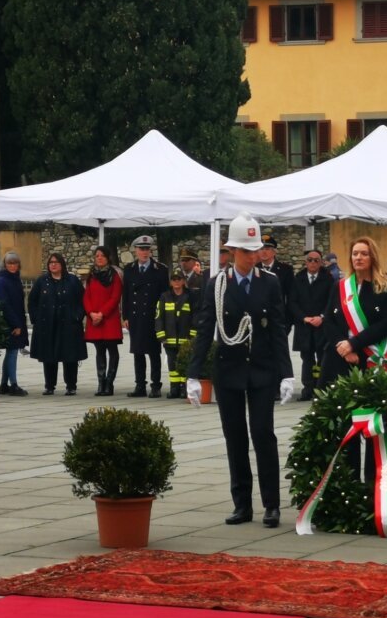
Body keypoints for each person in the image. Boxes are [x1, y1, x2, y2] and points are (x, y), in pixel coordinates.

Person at [185, 213, 294, 528]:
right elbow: (205, 329)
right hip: (229, 368)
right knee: (235, 438)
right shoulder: (217, 284)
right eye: (246, 251)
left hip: (261, 369)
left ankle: (271, 505)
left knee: (263, 435)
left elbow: (277, 329)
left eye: (255, 250)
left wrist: (286, 373)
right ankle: (242, 504)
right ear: (232, 251)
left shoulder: (270, 283)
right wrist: (193, 374)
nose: (252, 256)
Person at [319, 236, 387, 385]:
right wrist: (343, 346)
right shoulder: (340, 286)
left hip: (371, 356)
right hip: (339, 355)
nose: (359, 258)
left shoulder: (386, 287)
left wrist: (353, 344)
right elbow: (329, 319)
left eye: (364, 254)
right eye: (355, 254)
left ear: (373, 257)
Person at [28, 252, 87, 395]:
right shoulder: (42, 281)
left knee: (70, 356)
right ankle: (49, 385)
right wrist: (36, 318)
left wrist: (77, 316)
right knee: (49, 356)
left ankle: (71, 385)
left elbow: (83, 300)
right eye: (50, 263)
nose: (53, 265)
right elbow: (32, 301)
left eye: (56, 262)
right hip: (47, 325)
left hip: (69, 325)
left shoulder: (72, 281)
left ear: (62, 264)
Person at [122, 236, 168, 397]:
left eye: (147, 249)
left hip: (152, 317)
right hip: (135, 316)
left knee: (154, 352)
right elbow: (126, 294)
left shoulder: (160, 270)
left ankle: (156, 385)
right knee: (138, 351)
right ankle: (140, 385)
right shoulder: (129, 269)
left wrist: (163, 318)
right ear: (135, 251)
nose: (144, 252)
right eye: (141, 249)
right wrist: (125, 315)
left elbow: (164, 296)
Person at [290, 248, 333, 400]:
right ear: (305, 262)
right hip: (305, 325)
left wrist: (321, 316)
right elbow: (292, 302)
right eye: (310, 260)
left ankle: (321, 388)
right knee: (306, 358)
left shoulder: (328, 278)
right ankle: (308, 388)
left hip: (322, 324)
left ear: (321, 262)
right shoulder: (298, 278)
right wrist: (304, 318)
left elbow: (331, 301)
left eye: (316, 260)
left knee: (322, 357)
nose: (313, 263)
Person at [83, 246, 122, 397]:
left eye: (102, 256)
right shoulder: (91, 275)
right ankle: (101, 383)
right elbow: (86, 296)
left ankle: (109, 383)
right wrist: (91, 313)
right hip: (94, 319)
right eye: (97, 255)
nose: (99, 258)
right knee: (99, 351)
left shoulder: (115, 275)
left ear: (108, 258)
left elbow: (115, 297)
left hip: (109, 319)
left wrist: (102, 313)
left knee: (112, 350)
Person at [155, 269, 197, 398]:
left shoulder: (190, 296)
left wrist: (192, 335)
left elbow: (195, 316)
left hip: (186, 338)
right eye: (174, 279)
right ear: (170, 282)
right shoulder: (164, 297)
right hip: (170, 339)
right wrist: (161, 335)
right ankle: (174, 389)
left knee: (185, 363)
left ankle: (184, 389)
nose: (176, 282)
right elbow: (159, 316)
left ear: (184, 281)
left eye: (179, 279)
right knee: (172, 366)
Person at [0, 251, 30, 396]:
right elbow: (4, 304)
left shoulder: (15, 279)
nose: (12, 266)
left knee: (11, 352)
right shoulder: (2, 280)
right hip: (10, 321)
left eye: (14, 263)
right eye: (9, 263)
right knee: (12, 353)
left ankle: (4, 384)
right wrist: (15, 324)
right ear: (5, 264)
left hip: (17, 319)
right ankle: (13, 384)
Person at [257, 233, 294, 318]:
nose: (264, 252)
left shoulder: (285, 270)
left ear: (274, 252)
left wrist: (288, 320)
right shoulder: (253, 269)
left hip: (278, 316)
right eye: (261, 249)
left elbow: (291, 296)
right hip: (257, 317)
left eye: (267, 249)